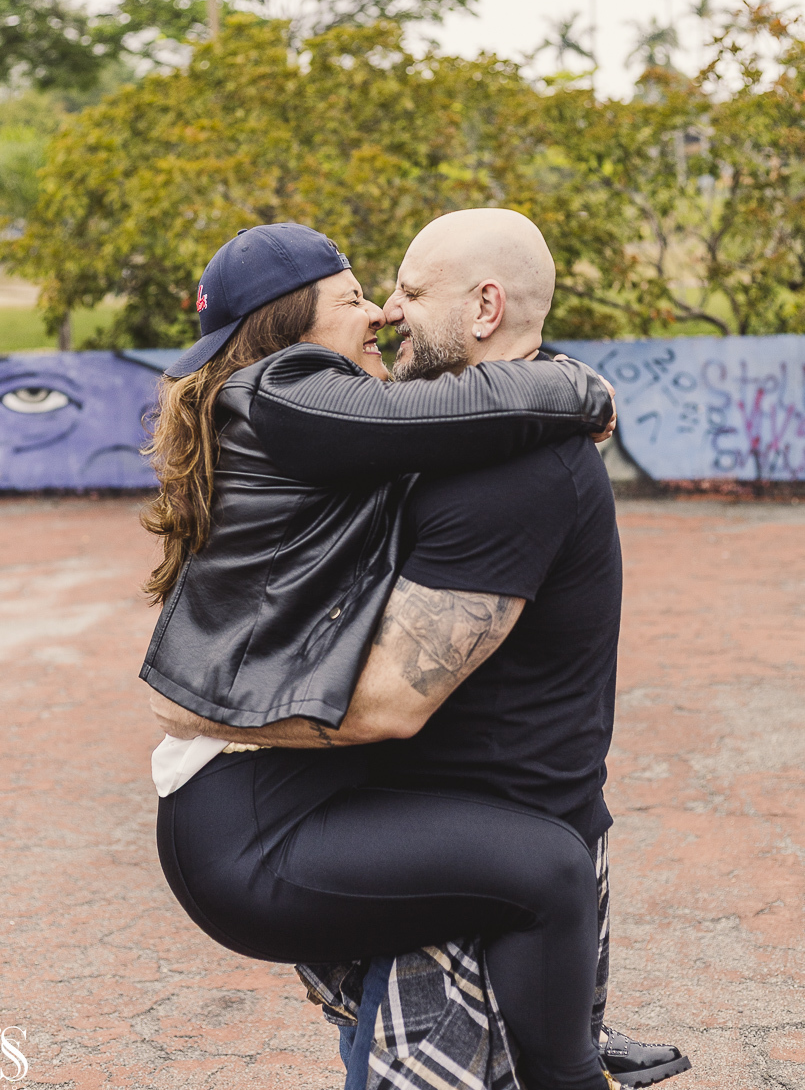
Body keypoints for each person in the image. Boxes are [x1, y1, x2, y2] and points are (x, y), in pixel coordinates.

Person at [142, 219, 618, 1090]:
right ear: (288, 330)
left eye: (396, 292)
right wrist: (577, 388)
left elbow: (432, 425)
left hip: (284, 806)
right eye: (358, 296)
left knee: (537, 876)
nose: (386, 313)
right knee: (545, 873)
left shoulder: (325, 427)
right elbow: (390, 706)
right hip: (249, 821)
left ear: (485, 306)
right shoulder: (285, 389)